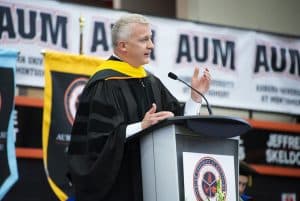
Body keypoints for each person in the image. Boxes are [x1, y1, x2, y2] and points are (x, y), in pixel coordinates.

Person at [67, 13, 211, 201]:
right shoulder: (104, 84)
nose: (151, 45)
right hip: (118, 188)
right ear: (123, 46)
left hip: (154, 186)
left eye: (150, 38)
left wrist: (195, 98)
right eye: (144, 40)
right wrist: (140, 127)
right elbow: (96, 144)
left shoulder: (150, 81)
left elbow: (178, 120)